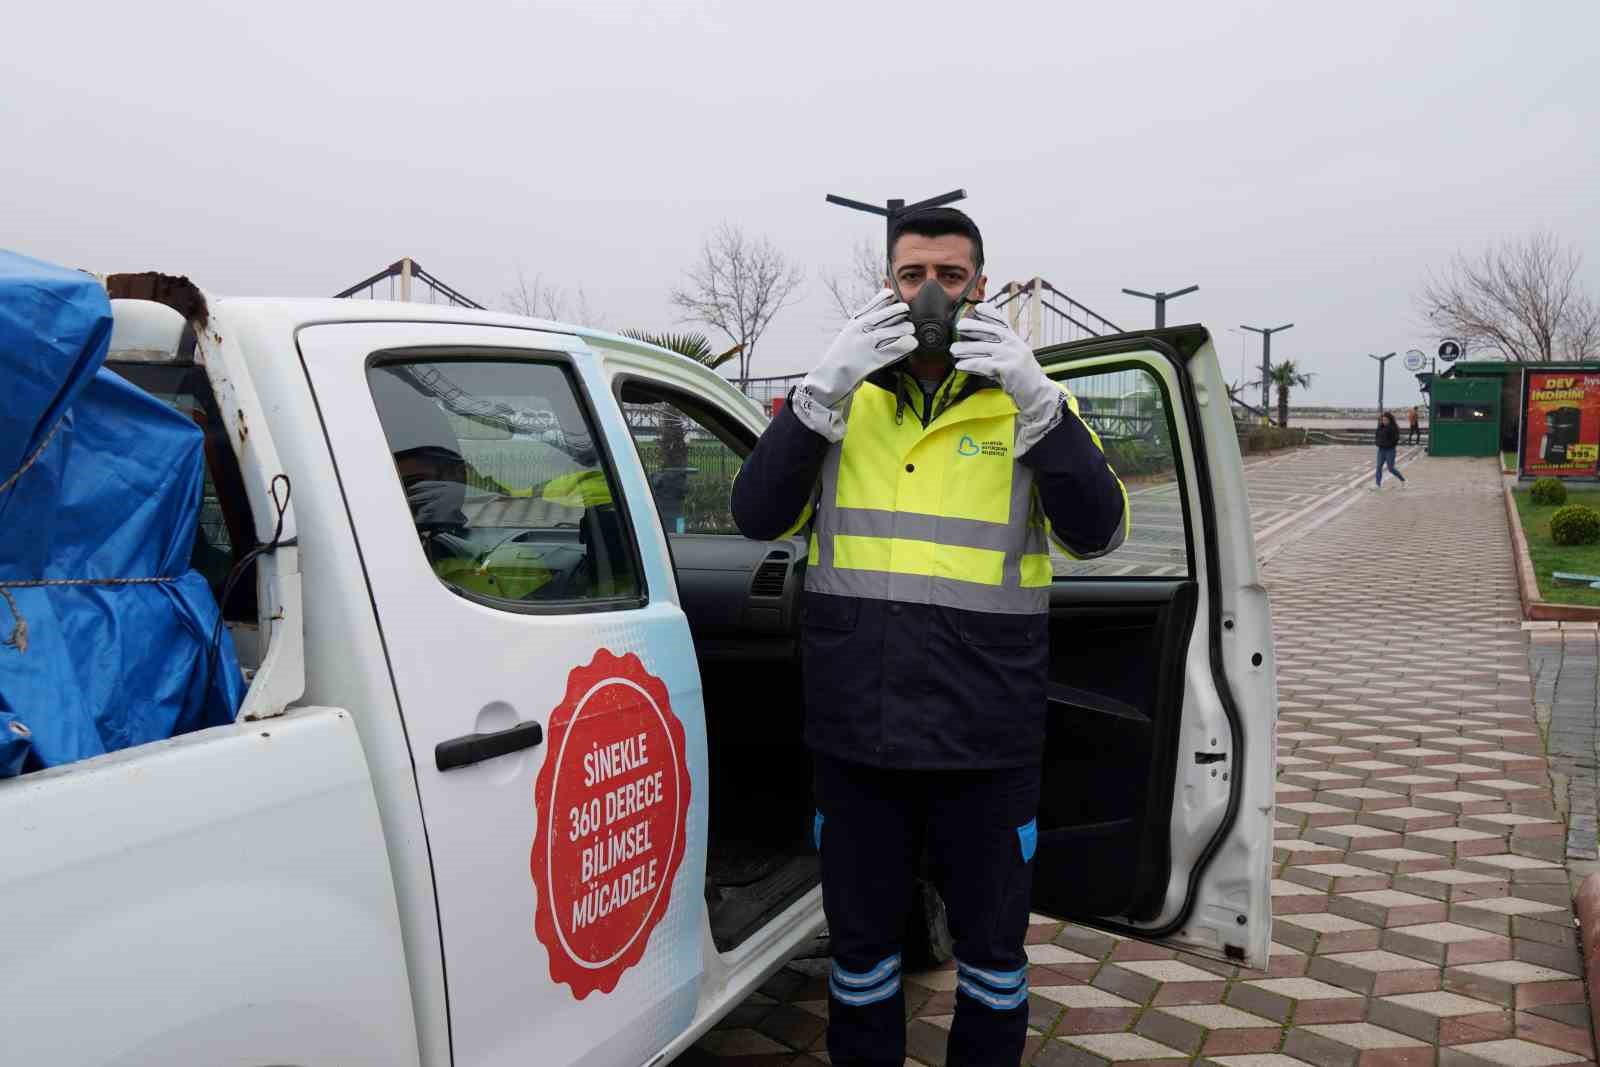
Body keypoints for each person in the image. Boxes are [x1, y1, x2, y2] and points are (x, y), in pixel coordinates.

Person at [731, 207, 1128, 1067]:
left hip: (985, 739)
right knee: (862, 958)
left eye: (951, 276)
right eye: (913, 276)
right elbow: (756, 513)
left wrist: (1042, 403)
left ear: (980, 287)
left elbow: (1099, 532)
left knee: (991, 962)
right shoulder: (843, 404)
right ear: (889, 285)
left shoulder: (1027, 401)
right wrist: (816, 395)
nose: (931, 294)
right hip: (857, 734)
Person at [1375, 411, 1406, 488]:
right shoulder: (1380, 427)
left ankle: (1403, 480)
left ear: (1390, 420)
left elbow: (1395, 440)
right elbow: (1376, 436)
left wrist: (1388, 445)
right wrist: (1377, 442)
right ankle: (1377, 485)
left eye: (1386, 420)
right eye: (1383, 420)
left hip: (1390, 450)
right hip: (1381, 450)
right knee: (1379, 467)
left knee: (1390, 468)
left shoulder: (1393, 428)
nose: (1384, 421)